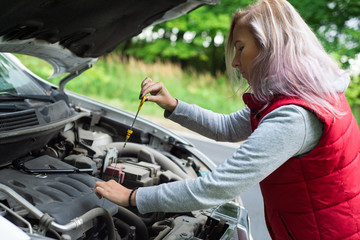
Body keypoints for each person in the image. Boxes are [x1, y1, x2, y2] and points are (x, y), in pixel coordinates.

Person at [95, 0, 360, 239]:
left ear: (270, 46)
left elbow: (217, 187)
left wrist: (133, 196)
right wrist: (174, 106)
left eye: (240, 48)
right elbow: (229, 127)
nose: (234, 62)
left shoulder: (295, 116)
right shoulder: (298, 93)